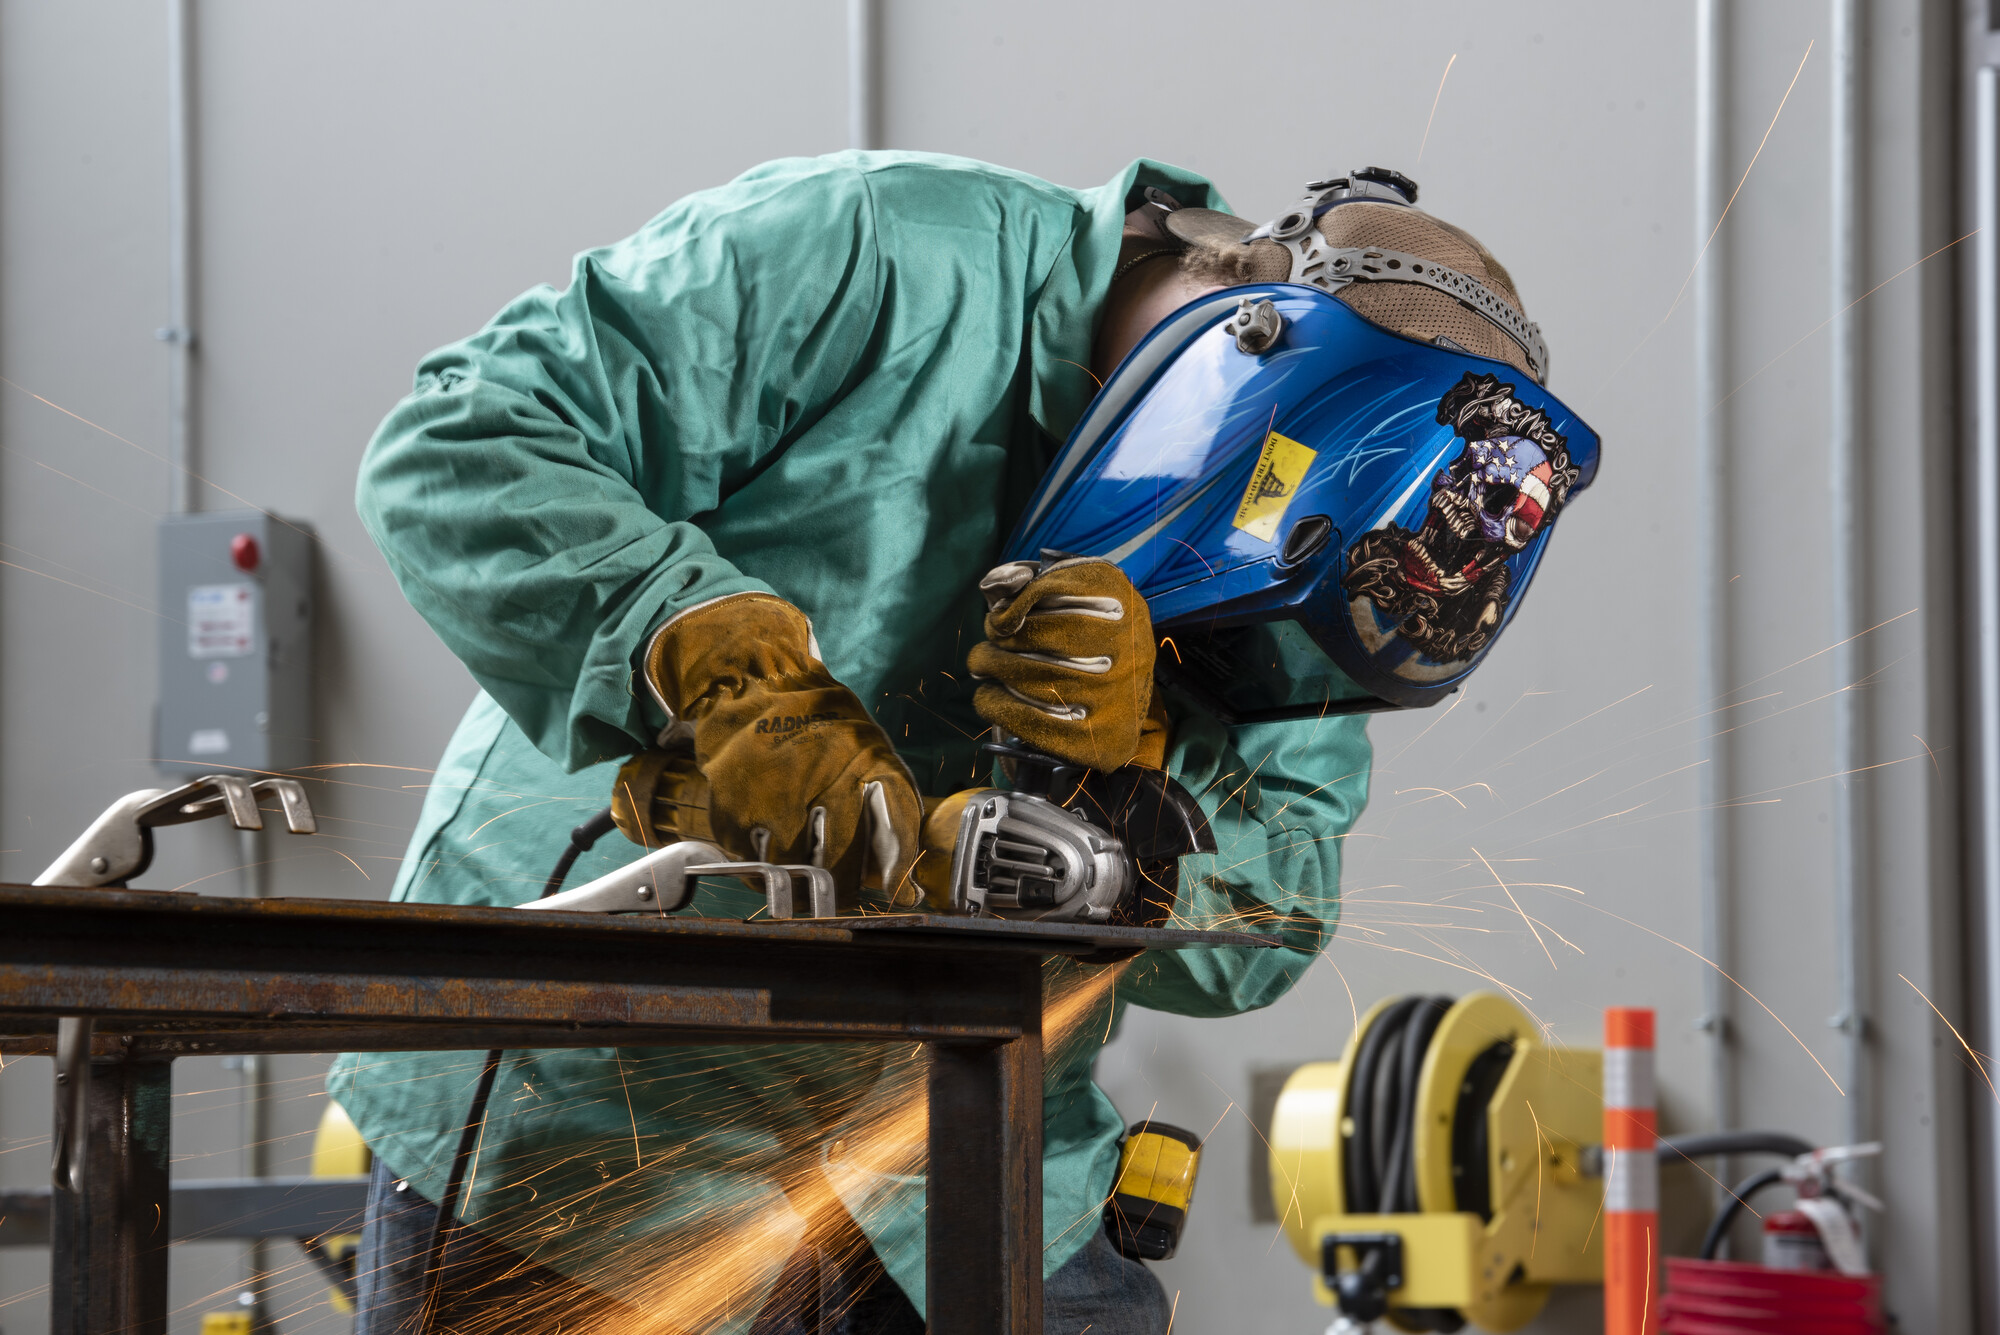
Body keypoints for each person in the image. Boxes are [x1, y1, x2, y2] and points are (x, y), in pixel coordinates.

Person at [331, 150, 1582, 1334]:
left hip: (959, 1164)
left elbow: (1271, 922)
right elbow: (464, 439)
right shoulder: (879, 252)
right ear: (1240, 351)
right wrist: (716, 666)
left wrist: (1124, 820)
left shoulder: (1326, 569)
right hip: (600, 1131)